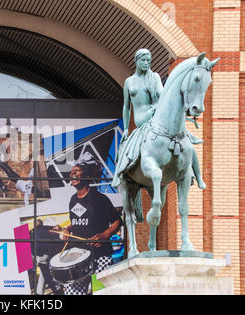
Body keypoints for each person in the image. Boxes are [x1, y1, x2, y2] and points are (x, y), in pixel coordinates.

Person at [113, 48, 205, 189]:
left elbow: (163, 95)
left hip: (155, 115)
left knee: (185, 139)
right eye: (143, 60)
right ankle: (120, 171)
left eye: (149, 61)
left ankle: (194, 173)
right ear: (136, 61)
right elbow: (126, 107)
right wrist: (125, 128)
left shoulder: (154, 77)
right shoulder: (129, 82)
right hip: (140, 119)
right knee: (127, 147)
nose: (146, 63)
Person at [57, 157, 122, 295]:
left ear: (86, 175)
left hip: (100, 257)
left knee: (100, 292)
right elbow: (77, 222)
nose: (72, 174)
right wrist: (68, 229)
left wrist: (105, 235)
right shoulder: (72, 200)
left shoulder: (100, 199)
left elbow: (117, 220)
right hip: (78, 257)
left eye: (77, 170)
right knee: (73, 293)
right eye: (72, 171)